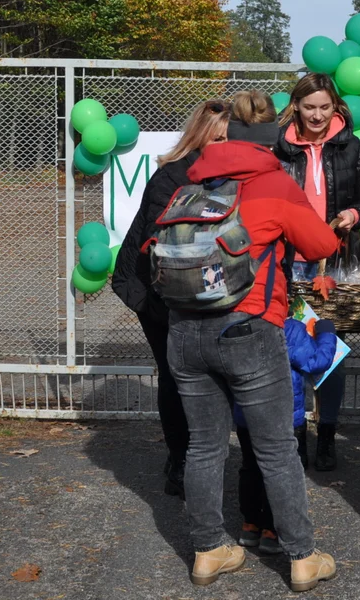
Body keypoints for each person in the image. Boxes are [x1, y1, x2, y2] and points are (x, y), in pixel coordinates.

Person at [161, 90, 340, 591]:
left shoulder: (190, 186)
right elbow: (321, 244)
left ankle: (207, 550)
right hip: (249, 329)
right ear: (269, 142)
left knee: (204, 446)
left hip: (185, 331)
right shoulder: (274, 185)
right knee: (276, 448)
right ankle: (302, 557)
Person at [112, 99, 230, 500]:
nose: (224, 144)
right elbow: (160, 243)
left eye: (230, 137)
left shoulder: (235, 173)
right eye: (218, 137)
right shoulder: (171, 177)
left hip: (208, 290)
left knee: (207, 376)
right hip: (158, 290)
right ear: (199, 137)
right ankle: (179, 459)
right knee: (176, 373)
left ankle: (204, 455)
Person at [275, 73, 360, 472]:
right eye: (309, 107)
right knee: (294, 351)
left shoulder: (350, 148)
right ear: (296, 106)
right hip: (290, 262)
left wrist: (354, 214)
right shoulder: (278, 149)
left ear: (336, 107)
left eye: (325, 107)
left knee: (331, 353)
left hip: (334, 261)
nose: (317, 115)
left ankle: (327, 434)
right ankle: (297, 435)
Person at [235, 316, 339, 555]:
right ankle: (271, 530)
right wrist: (326, 333)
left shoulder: (237, 325)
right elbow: (316, 361)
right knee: (280, 470)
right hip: (283, 416)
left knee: (250, 467)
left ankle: (250, 524)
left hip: (246, 413)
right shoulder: (290, 328)